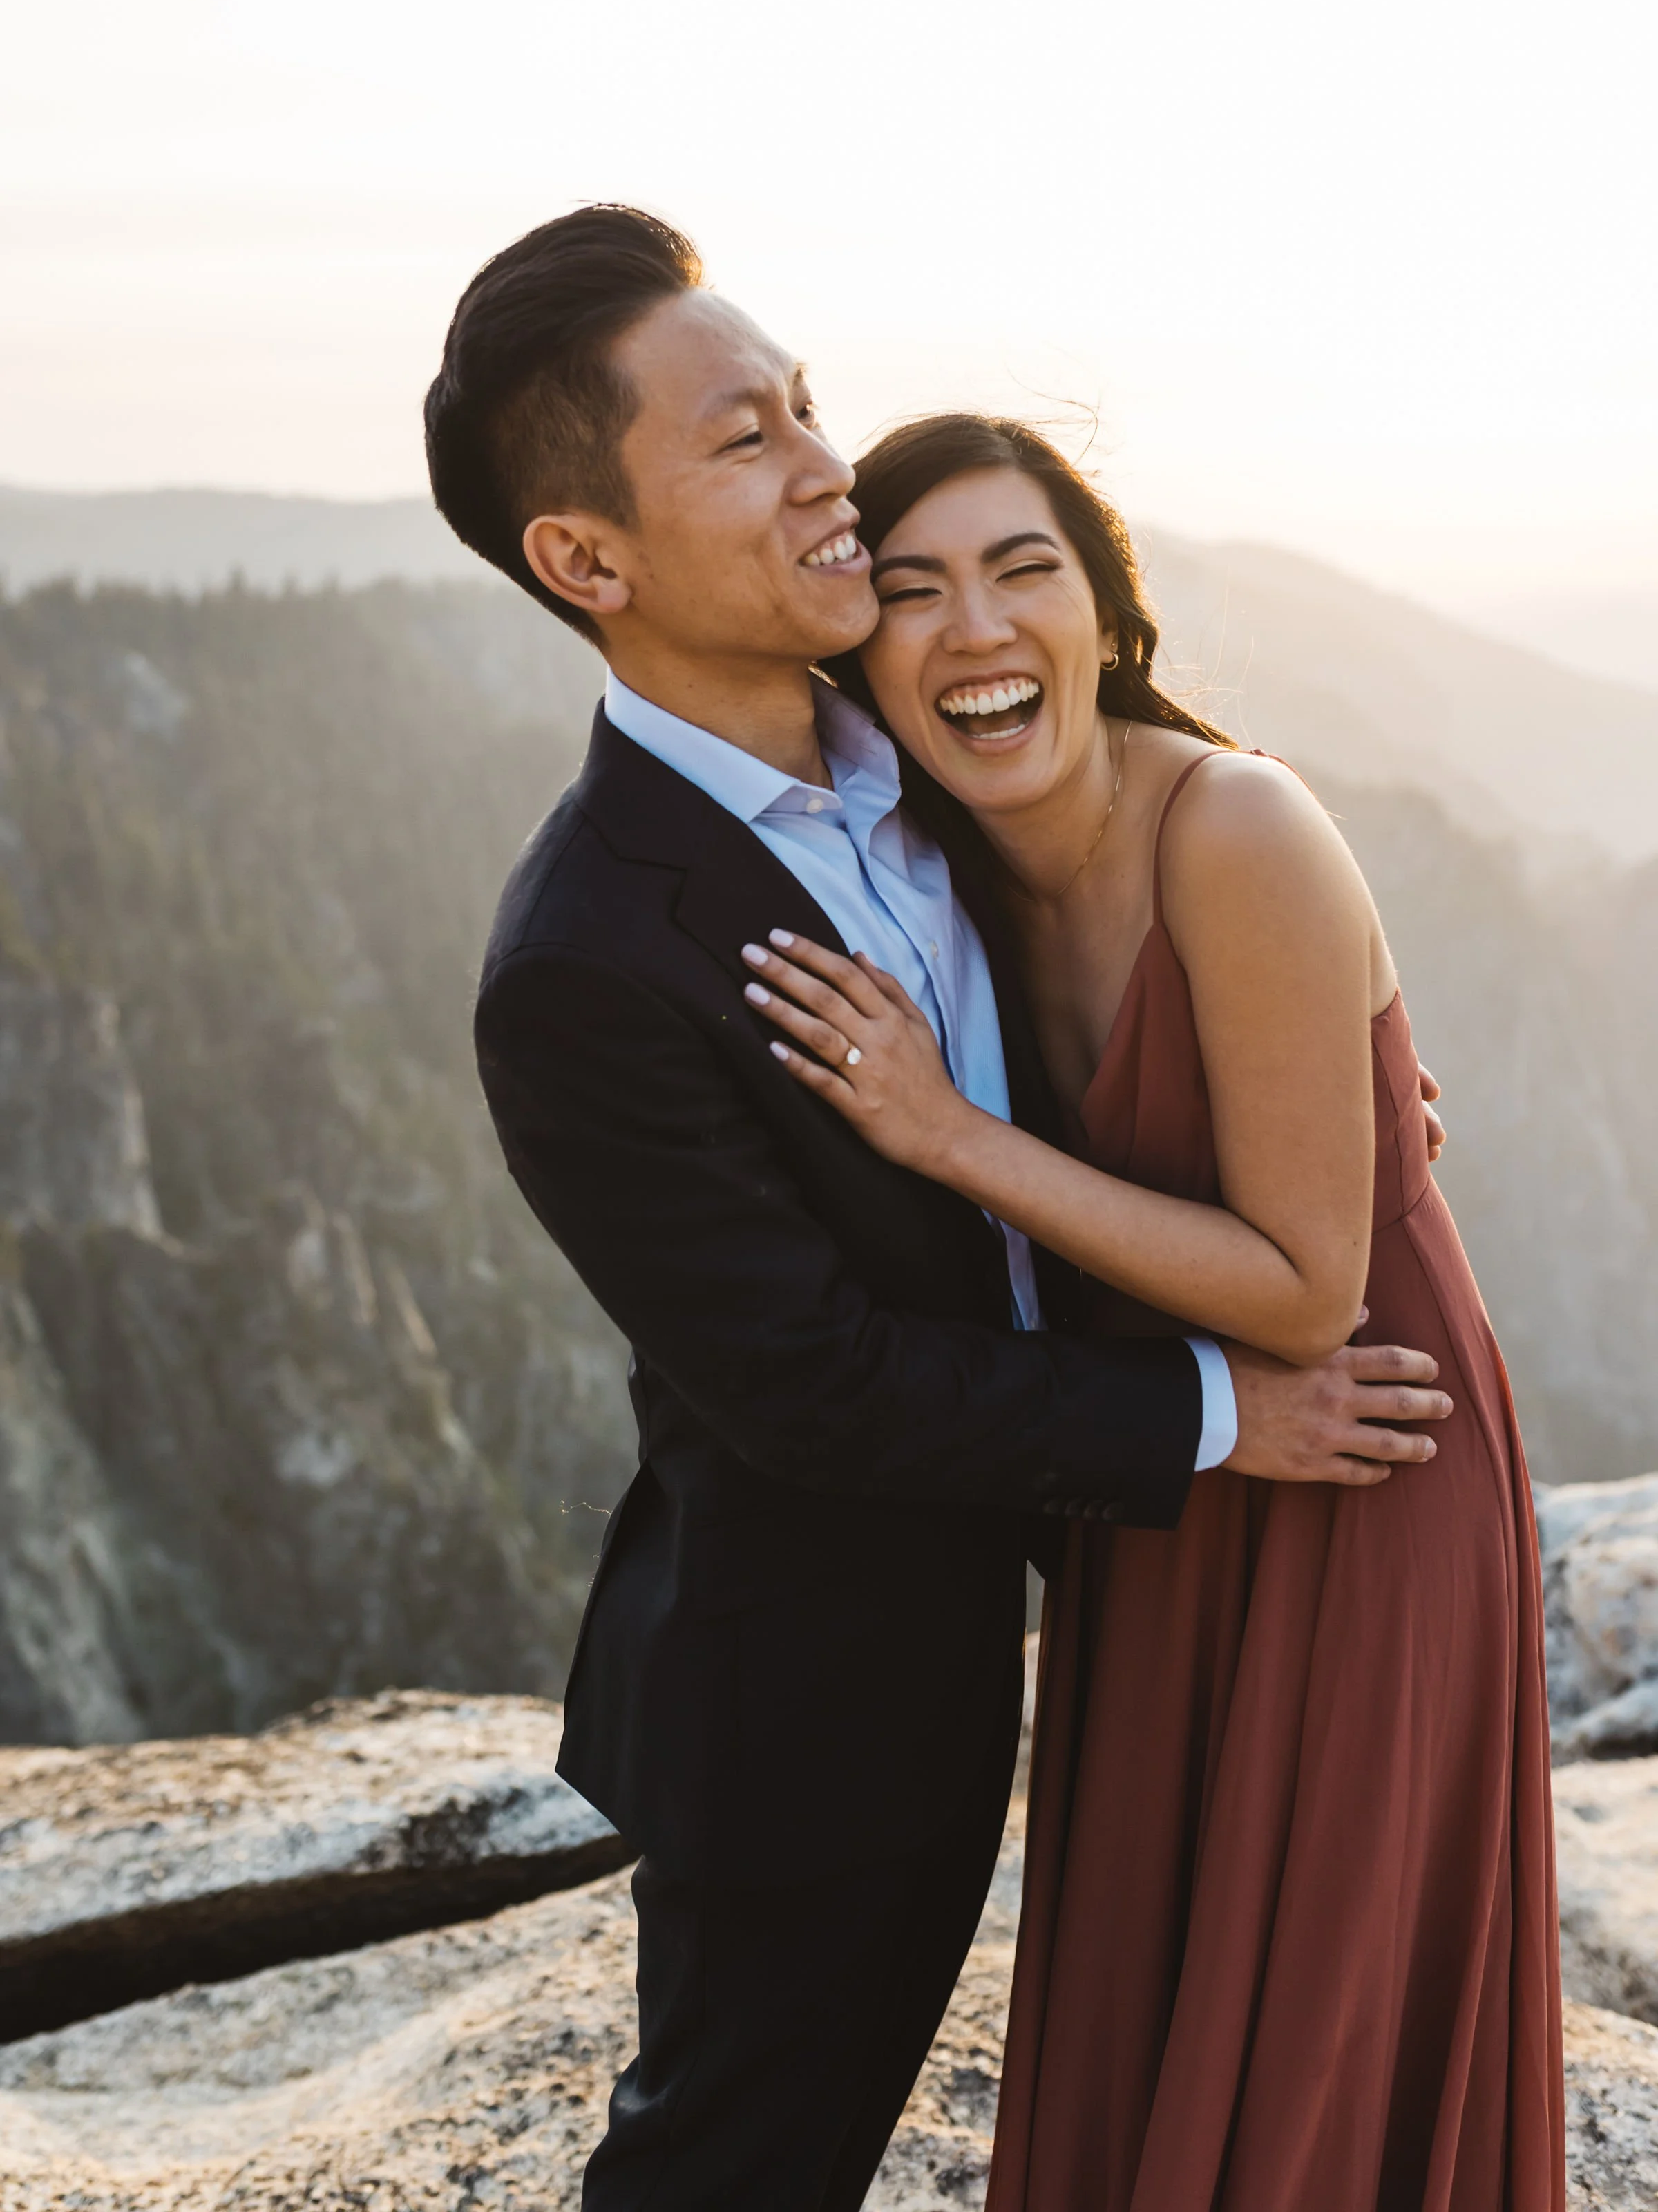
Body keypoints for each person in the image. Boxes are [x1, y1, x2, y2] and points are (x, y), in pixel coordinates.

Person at [423, 205, 1448, 2212]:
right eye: (743, 437)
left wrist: (1321, 1063)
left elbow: (1149, 914)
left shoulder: (920, 742)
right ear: (586, 558)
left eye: (808, 406)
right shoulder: (588, 958)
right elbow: (811, 1382)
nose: (825, 468)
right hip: (812, 1695)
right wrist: (1231, 1416)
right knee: (739, 2165)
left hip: (1089, 1601)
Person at [747, 413, 1563, 2209]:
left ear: (1107, 621)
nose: (974, 627)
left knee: (1314, 2043)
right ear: (861, 653)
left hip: (1359, 1454)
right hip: (1164, 1467)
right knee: (1165, 1996)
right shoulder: (936, 879)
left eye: (1022, 571)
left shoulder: (1238, 827)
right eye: (911, 590)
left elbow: (1309, 1284)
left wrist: (953, 1138)